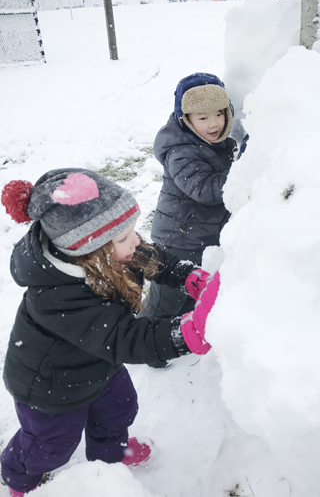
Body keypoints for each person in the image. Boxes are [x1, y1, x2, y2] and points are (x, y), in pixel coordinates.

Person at [0, 168, 218, 496]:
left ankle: (108, 462)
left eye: (132, 231)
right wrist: (186, 334)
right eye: (124, 237)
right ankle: (17, 475)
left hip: (98, 362)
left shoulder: (112, 252)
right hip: (51, 385)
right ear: (89, 250)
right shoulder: (57, 297)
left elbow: (151, 259)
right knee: (52, 445)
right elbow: (125, 337)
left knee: (120, 408)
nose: (136, 242)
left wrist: (186, 276)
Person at [140, 72, 236, 323]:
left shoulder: (221, 143)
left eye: (219, 114)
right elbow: (205, 189)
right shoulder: (180, 151)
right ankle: (147, 340)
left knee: (194, 291)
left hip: (200, 236)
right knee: (166, 299)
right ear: (186, 119)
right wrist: (241, 171)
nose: (214, 124)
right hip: (178, 239)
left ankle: (182, 333)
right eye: (203, 118)